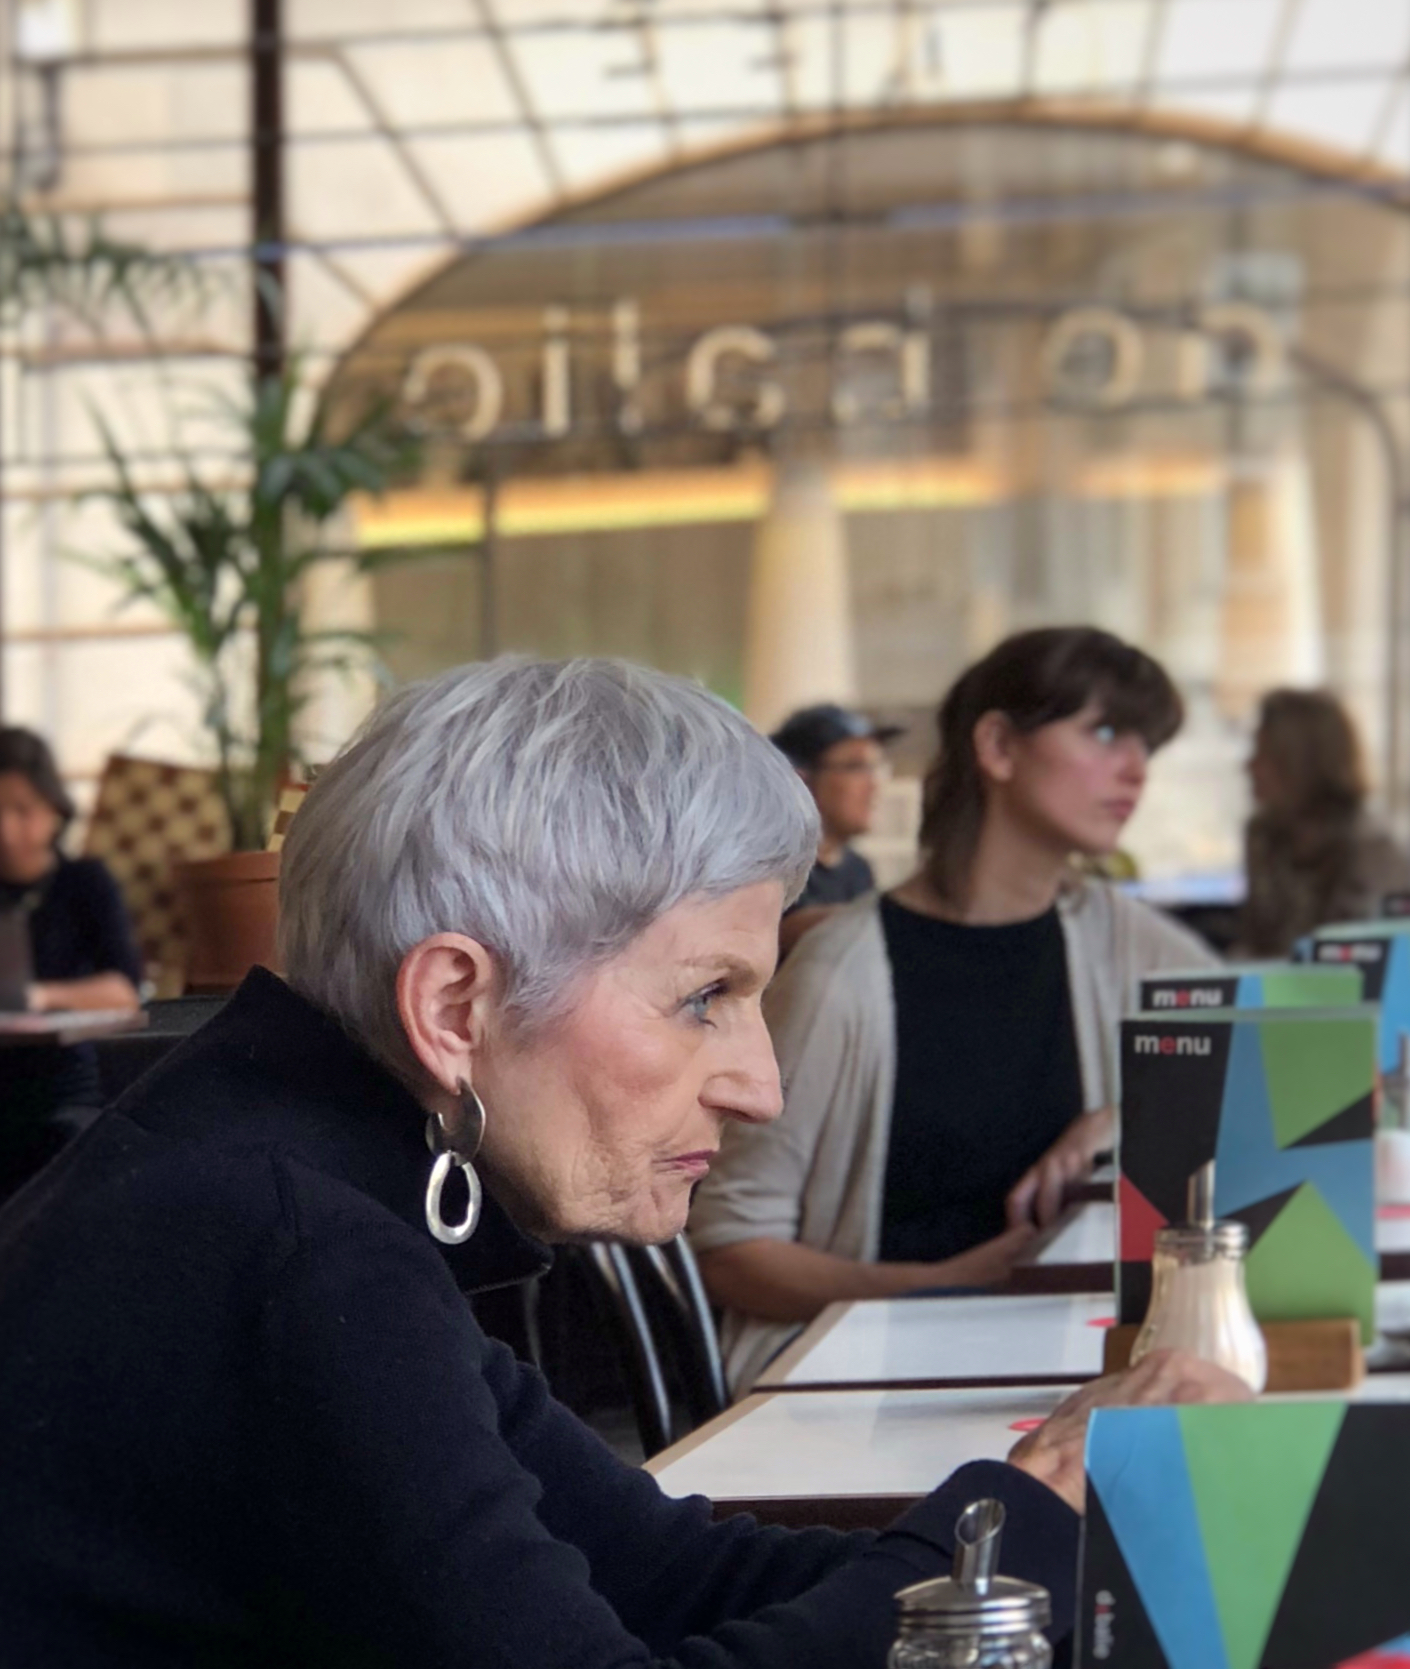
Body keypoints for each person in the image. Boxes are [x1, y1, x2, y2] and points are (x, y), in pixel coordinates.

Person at [0, 657, 1245, 1667]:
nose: (761, 1083)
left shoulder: (290, 1172)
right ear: (454, 1004)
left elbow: (666, 1574)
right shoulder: (293, 1249)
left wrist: (1038, 1536)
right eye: (707, 996)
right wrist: (1025, 1520)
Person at [692, 627, 1215, 1393]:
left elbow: (1263, 1081)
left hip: (1061, 1365)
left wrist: (1119, 1119)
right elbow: (731, 1252)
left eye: (1146, 743)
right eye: (1106, 732)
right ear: (998, 746)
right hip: (868, 1384)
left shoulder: (1125, 940)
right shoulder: (845, 973)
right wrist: (944, 1282)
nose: (1136, 768)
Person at [0, 727, 142, 1202]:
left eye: (21, 810)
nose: (6, 830)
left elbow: (125, 991)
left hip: (59, 1089)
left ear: (54, 809)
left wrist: (38, 995)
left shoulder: (83, 883)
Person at [1238, 686, 1409, 957]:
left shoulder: (1373, 853)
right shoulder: (1263, 837)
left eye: (1264, 754)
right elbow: (1257, 944)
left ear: (1301, 763)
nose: (1249, 767)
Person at [771, 704, 902, 959]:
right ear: (801, 780)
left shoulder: (858, 869)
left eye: (876, 767)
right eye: (856, 767)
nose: (875, 784)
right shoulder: (770, 865)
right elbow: (782, 933)